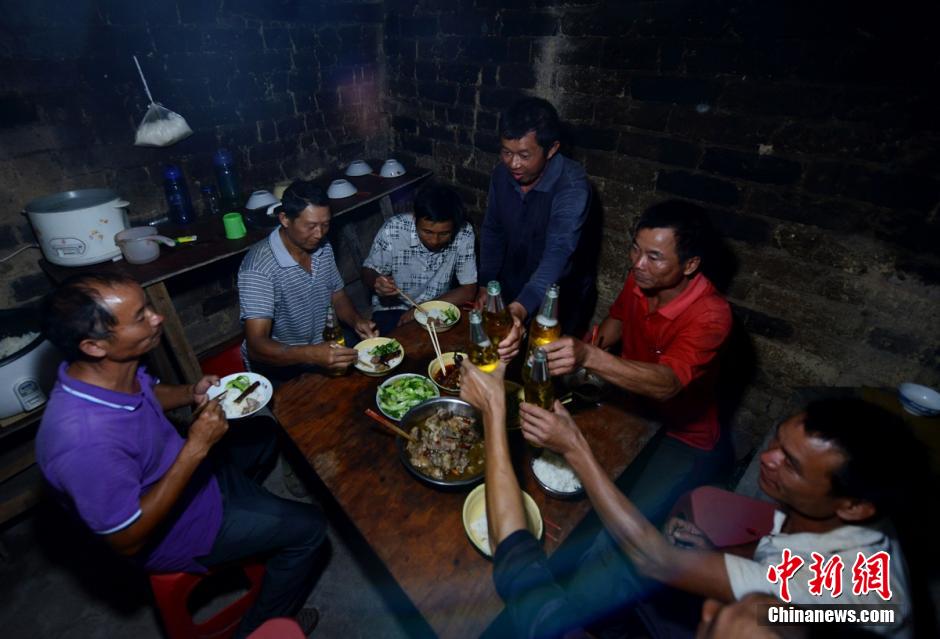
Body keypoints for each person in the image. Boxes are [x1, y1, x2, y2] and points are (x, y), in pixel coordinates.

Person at [35, 273, 326, 638]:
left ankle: (251, 516)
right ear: (94, 346)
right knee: (311, 528)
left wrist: (191, 392)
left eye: (148, 307)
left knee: (264, 432)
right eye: (141, 316)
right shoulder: (81, 440)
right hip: (177, 529)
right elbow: (128, 539)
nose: (157, 318)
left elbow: (147, 393)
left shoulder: (110, 370)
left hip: (193, 476)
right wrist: (196, 447)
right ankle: (258, 629)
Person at [517, 395, 917, 637]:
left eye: (791, 464)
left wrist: (574, 449)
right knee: (617, 557)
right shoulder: (836, 516)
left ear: (854, 506)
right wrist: (718, 558)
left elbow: (656, 562)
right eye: (778, 438)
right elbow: (777, 552)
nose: (767, 457)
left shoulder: (835, 592)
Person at [542, 199, 732, 526]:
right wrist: (587, 354)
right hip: (630, 405)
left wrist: (590, 356)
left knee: (629, 520)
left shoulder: (711, 315)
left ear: (690, 265)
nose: (638, 264)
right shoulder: (641, 280)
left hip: (680, 434)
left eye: (654, 257)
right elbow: (618, 318)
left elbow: (668, 383)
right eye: (635, 250)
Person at [478, 97, 592, 361]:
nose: (513, 164)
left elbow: (558, 252)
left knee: (544, 369)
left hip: (559, 296)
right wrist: (486, 282)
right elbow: (493, 229)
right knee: (504, 357)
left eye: (524, 155)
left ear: (551, 149)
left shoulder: (572, 186)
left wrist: (519, 309)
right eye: (506, 152)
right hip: (513, 282)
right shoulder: (501, 175)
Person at [238, 180, 377, 382]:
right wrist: (311, 354)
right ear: (285, 219)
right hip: (281, 366)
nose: (319, 234)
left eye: (326, 224)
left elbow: (336, 294)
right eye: (311, 226)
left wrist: (357, 321)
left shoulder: (322, 246)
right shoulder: (258, 268)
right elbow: (256, 346)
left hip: (322, 347)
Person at [361, 182, 477, 335]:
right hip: (393, 308)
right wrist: (377, 282)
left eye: (444, 234)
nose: (434, 241)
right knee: (394, 349)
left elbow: (468, 290)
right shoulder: (394, 229)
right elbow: (367, 271)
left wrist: (422, 309)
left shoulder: (464, 233)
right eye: (427, 232)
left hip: (438, 306)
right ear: (415, 217)